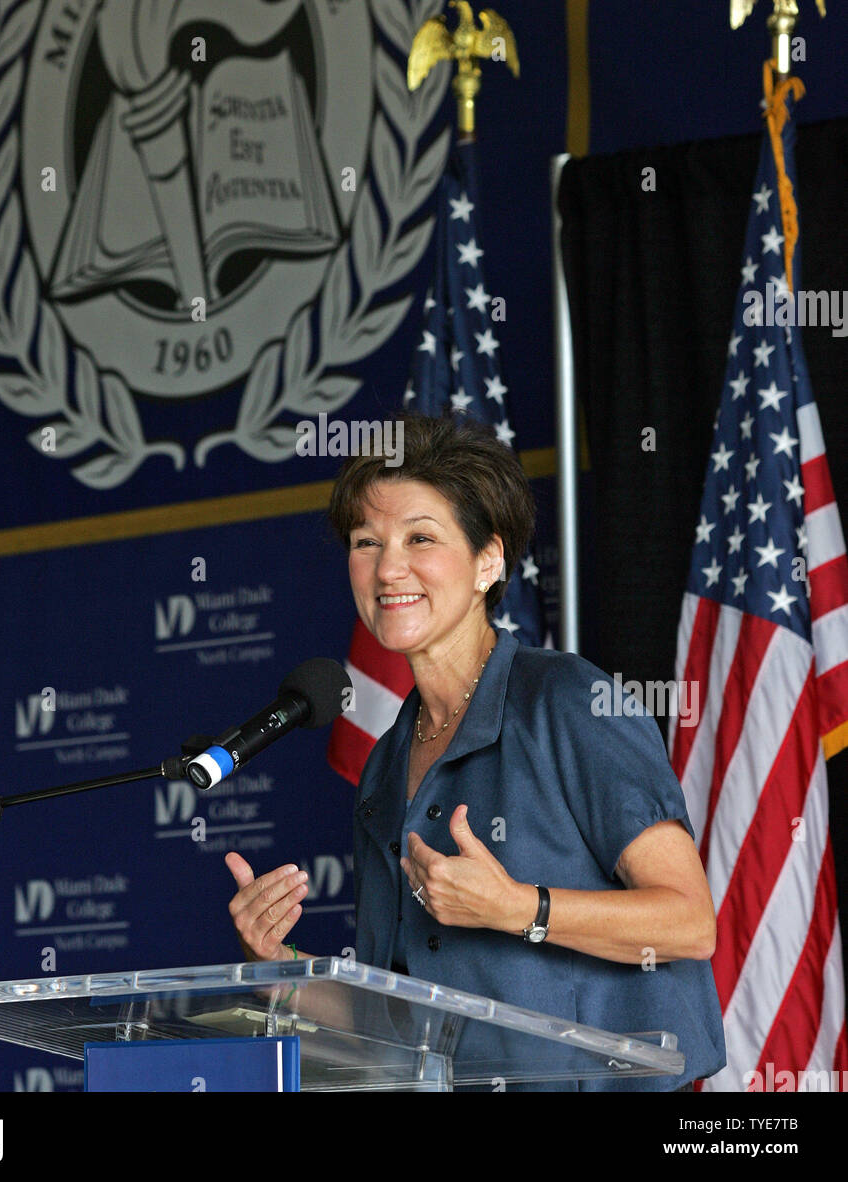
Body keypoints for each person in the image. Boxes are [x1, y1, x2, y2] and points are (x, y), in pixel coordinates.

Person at [226, 412, 726, 1090]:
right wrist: (277, 965)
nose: (388, 567)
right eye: (365, 541)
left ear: (488, 561)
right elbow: (392, 1011)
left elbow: (691, 922)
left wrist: (521, 909)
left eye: (420, 538)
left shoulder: (566, 701)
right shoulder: (385, 764)